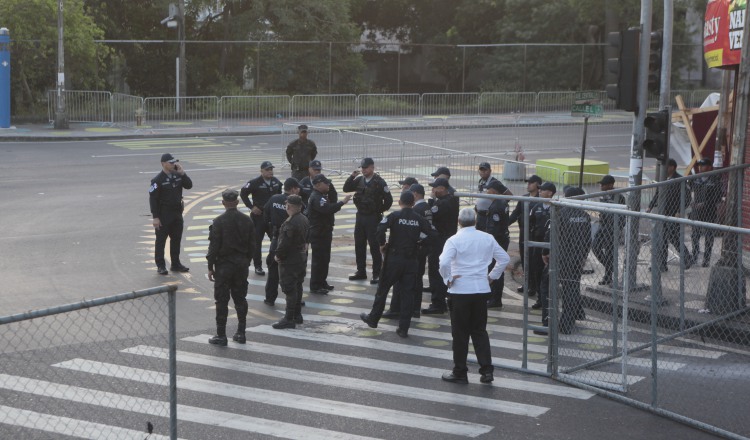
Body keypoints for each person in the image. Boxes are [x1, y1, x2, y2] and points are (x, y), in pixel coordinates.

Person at [439, 208, 509, 384]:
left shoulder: (453, 240)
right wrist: (492, 277)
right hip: (480, 289)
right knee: (479, 331)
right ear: (476, 221)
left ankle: (460, 371)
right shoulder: (487, 238)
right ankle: (486, 371)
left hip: (460, 290)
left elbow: (444, 262)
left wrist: (447, 279)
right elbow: (504, 259)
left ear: (458, 221)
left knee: (460, 333)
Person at [360, 191, 435, 337]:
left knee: (383, 289)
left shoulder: (394, 216)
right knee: (408, 294)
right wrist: (420, 244)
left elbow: (379, 230)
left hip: (394, 259)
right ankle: (403, 328)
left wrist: (382, 244)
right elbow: (433, 235)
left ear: (400, 202)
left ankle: (373, 318)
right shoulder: (419, 219)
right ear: (413, 203)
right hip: (411, 260)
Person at [206, 189, 255, 346]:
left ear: (223, 203)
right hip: (241, 264)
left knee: (221, 300)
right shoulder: (247, 220)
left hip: (224, 266)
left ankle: (221, 335)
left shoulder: (218, 221)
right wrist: (247, 261)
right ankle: (241, 332)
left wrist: (210, 266)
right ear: (238, 202)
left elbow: (213, 247)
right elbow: (253, 245)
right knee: (240, 298)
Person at [343, 157, 394, 284]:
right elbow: (346, 188)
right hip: (360, 216)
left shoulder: (379, 182)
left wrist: (378, 210)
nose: (364, 170)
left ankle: (376, 274)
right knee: (359, 244)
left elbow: (389, 200)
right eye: (362, 168)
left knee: (374, 246)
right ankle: (361, 271)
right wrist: (352, 176)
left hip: (373, 217)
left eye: (366, 168)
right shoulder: (359, 180)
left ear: (372, 167)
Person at [308, 174, 353, 294]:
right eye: (325, 183)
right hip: (318, 233)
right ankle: (315, 285)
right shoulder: (317, 197)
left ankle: (322, 282)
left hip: (325, 231)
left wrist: (330, 186)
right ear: (317, 185)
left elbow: (332, 198)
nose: (328, 185)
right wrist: (342, 202)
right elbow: (328, 209)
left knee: (325, 258)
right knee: (319, 260)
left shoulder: (322, 195)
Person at [149, 153, 193, 275]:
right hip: (164, 214)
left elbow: (189, 185)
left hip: (177, 213)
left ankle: (175, 264)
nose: (173, 164)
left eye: (174, 162)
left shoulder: (177, 175)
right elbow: (153, 200)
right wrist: (155, 217)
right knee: (161, 241)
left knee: (176, 239)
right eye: (171, 162)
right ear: (163, 164)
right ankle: (161, 265)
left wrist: (183, 173)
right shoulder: (157, 180)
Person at [647, 158, 694, 271]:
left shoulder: (679, 180)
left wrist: (679, 210)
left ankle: (687, 259)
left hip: (674, 214)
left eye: (666, 167)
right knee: (662, 239)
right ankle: (662, 264)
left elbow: (687, 198)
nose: (664, 169)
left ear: (672, 167)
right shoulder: (663, 179)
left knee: (674, 238)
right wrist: (650, 205)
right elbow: (658, 194)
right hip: (663, 213)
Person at [422, 177, 460, 314]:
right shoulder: (451, 199)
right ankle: (443, 300)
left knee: (436, 272)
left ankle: (438, 303)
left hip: (440, 241)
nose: (433, 191)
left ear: (442, 189)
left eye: (435, 188)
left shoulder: (444, 203)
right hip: (446, 240)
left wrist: (431, 200)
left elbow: (432, 213)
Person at [272, 194, 310, 329]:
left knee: (289, 288)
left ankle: (289, 318)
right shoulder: (304, 218)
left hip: (290, 259)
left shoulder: (290, 223)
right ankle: (297, 315)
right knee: (298, 286)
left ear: (288, 206)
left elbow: (285, 243)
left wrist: (278, 255)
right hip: (301, 257)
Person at [262, 178, 301, 306]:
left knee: (273, 271)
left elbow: (265, 215)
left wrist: (272, 232)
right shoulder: (296, 203)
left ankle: (269, 298)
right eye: (298, 188)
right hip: (292, 243)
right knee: (294, 272)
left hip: (276, 238)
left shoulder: (274, 199)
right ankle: (295, 300)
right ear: (293, 189)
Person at [241, 161, 283, 276]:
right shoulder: (255, 182)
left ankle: (273, 262)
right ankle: (258, 266)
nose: (270, 171)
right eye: (267, 170)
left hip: (272, 218)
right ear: (262, 171)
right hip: (258, 217)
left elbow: (279, 196)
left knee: (275, 240)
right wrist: (251, 207)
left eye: (271, 169)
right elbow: (243, 193)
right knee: (256, 243)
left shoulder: (276, 182)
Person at [478, 180, 511, 308]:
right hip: (501, 238)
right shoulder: (500, 202)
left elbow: (494, 228)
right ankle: (494, 297)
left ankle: (495, 299)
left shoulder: (497, 205)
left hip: (498, 240)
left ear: (495, 191)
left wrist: (487, 240)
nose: (487, 192)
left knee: (494, 268)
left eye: (489, 189)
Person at [508, 174, 542, 293]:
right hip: (524, 233)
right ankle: (527, 283)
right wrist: (504, 224)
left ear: (537, 184)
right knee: (524, 259)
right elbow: (515, 214)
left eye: (531, 183)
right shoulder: (524, 199)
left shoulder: (541, 199)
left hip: (535, 235)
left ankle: (534, 286)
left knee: (534, 261)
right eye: (528, 183)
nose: (528, 185)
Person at [591, 175, 627, 285]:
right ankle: (610, 267)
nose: (601, 186)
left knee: (610, 252)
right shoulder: (603, 196)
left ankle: (608, 276)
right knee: (595, 247)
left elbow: (623, 215)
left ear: (611, 185)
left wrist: (617, 228)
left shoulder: (619, 197)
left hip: (612, 228)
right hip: (603, 226)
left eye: (603, 184)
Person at [528, 182, 556, 308]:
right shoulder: (536, 206)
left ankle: (550, 299)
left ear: (550, 193)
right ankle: (540, 299)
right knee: (537, 271)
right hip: (537, 244)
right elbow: (531, 222)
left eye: (543, 190)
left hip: (552, 245)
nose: (540, 191)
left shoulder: (556, 207)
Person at [690, 158, 722, 267]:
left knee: (709, 236)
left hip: (709, 212)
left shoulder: (715, 180)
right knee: (695, 235)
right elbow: (690, 192)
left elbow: (718, 197)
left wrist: (705, 204)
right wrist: (692, 202)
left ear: (709, 167)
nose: (701, 167)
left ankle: (706, 259)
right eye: (700, 165)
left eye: (703, 165)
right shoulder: (695, 179)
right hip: (696, 212)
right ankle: (694, 256)